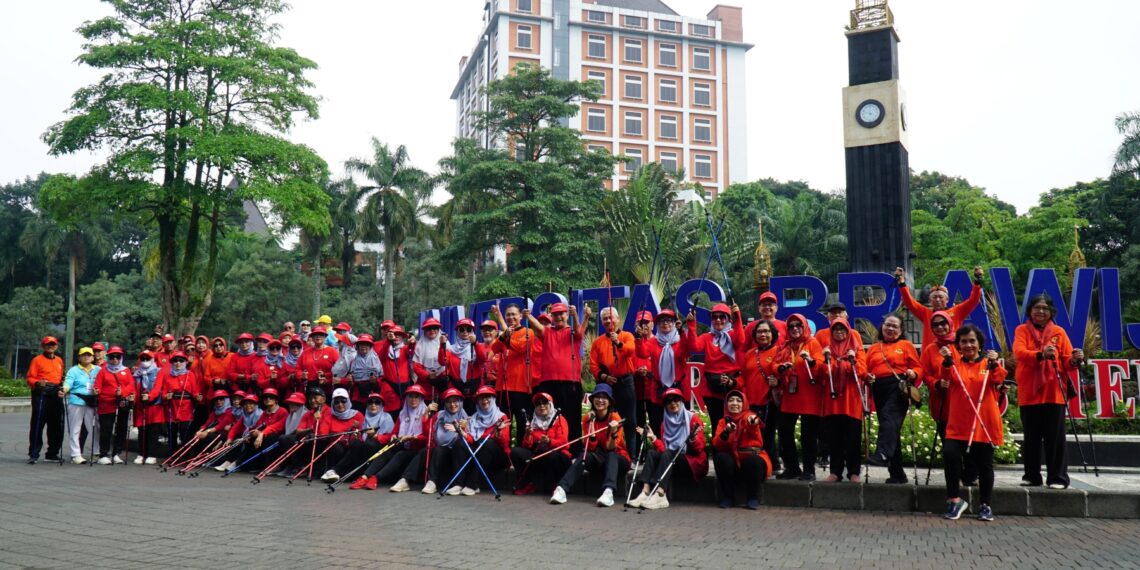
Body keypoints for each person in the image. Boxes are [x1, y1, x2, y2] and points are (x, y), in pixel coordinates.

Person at [938, 324, 1008, 521]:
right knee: (950, 455)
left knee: (984, 464)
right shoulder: (954, 365)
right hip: (958, 424)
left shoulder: (988, 364)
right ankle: (954, 500)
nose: (968, 345)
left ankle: (985, 505)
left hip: (983, 423)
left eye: (972, 341)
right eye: (963, 342)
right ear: (958, 345)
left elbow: (1000, 379)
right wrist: (945, 361)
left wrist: (995, 363)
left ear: (979, 343)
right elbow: (944, 376)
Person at [1013, 293, 1083, 489]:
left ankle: (1058, 478)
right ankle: (1032, 476)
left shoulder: (1059, 332)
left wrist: (1075, 359)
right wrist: (1041, 354)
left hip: (1054, 391)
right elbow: (1019, 353)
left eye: (1045, 308)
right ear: (1030, 311)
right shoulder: (1021, 330)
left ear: (1051, 312)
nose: (1041, 311)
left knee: (1055, 438)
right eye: (1037, 308)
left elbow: (1067, 361)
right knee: (1031, 437)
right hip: (1030, 391)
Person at [550, 383, 630, 507]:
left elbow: (611, 447)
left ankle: (608, 492)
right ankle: (561, 489)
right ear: (592, 400)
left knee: (611, 455)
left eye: (604, 397)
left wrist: (614, 431)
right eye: (597, 397)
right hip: (599, 458)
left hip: (618, 459)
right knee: (584, 455)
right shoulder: (587, 419)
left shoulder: (615, 418)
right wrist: (592, 425)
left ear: (609, 402)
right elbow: (591, 447)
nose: (600, 400)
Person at [627, 388, 707, 510]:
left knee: (668, 454)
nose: (672, 403)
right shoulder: (665, 424)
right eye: (668, 401)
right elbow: (664, 449)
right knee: (652, 453)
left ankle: (660, 494)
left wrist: (693, 439)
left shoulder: (692, 418)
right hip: (672, 460)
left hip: (692, 461)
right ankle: (645, 491)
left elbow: (700, 449)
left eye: (676, 400)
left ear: (681, 401)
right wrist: (653, 438)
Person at [866, 314, 922, 483]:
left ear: (901, 330)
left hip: (899, 387)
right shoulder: (874, 348)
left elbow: (918, 367)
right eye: (887, 325)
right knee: (890, 427)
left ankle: (882, 453)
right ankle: (897, 473)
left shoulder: (906, 345)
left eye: (894, 326)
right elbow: (867, 368)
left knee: (889, 417)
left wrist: (913, 372)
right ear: (882, 326)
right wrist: (868, 377)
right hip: (879, 388)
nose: (890, 329)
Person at [528, 303, 589, 448]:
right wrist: (528, 315)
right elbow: (538, 327)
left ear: (567, 315)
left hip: (570, 382)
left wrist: (576, 315)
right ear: (552, 316)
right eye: (555, 314)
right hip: (548, 383)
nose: (559, 317)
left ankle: (575, 450)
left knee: (572, 418)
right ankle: (551, 447)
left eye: (562, 313)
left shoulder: (572, 332)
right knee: (548, 417)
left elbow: (579, 332)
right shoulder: (547, 332)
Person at [775, 314, 824, 480]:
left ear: (804, 327)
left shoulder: (812, 343)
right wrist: (781, 368)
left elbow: (821, 366)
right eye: (791, 326)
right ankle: (792, 467)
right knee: (784, 431)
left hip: (810, 395)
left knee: (808, 435)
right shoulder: (785, 345)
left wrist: (810, 361)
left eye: (798, 325)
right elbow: (774, 365)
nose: (795, 328)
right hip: (790, 395)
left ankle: (809, 470)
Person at [821, 319, 869, 482]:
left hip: (851, 401)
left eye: (842, 329)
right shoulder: (826, 350)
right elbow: (822, 371)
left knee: (853, 438)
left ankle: (853, 471)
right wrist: (832, 361)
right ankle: (835, 471)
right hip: (832, 400)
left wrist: (847, 363)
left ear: (848, 331)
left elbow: (862, 370)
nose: (839, 332)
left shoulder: (856, 348)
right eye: (835, 329)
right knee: (834, 438)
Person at [686, 303, 745, 435]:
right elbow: (694, 347)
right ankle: (717, 447)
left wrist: (738, 317)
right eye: (714, 317)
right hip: (711, 387)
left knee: (735, 422)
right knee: (716, 422)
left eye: (722, 317)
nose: (718, 320)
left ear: (728, 319)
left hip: (732, 384)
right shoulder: (707, 337)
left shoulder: (733, 334)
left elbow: (741, 341)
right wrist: (691, 325)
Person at [589, 306, 637, 457]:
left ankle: (632, 455)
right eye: (605, 318)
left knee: (630, 420)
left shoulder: (627, 336)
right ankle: (608, 451)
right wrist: (604, 377)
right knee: (608, 418)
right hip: (608, 385)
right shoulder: (598, 342)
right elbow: (593, 365)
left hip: (626, 382)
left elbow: (630, 350)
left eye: (611, 317)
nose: (609, 321)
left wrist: (618, 343)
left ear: (617, 319)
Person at [491, 303, 542, 443]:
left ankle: (520, 451)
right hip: (503, 387)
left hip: (521, 386)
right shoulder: (504, 334)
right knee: (503, 422)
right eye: (508, 314)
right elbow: (494, 348)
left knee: (522, 422)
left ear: (520, 316)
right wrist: (503, 336)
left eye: (514, 314)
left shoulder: (528, 332)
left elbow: (520, 347)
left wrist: (506, 336)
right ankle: (504, 451)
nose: (511, 317)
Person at [712, 390, 772, 509]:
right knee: (721, 458)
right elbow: (717, 445)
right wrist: (726, 432)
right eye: (731, 400)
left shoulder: (750, 417)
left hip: (751, 465)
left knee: (754, 461)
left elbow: (757, 438)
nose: (735, 403)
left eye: (739, 401)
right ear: (726, 404)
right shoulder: (723, 422)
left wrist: (752, 425)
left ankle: (753, 497)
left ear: (744, 404)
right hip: (734, 465)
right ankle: (728, 497)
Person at [636, 309, 691, 437]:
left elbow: (686, 351)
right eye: (661, 321)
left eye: (669, 320)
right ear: (657, 325)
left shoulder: (680, 340)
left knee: (682, 426)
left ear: (674, 323)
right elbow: (642, 353)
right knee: (658, 424)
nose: (665, 323)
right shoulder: (653, 341)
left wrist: (682, 332)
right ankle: (660, 447)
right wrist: (639, 338)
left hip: (679, 389)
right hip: (659, 390)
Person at [896, 266, 984, 346]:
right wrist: (902, 283)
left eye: (941, 297)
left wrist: (978, 280)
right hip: (930, 355)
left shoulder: (957, 311)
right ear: (930, 300)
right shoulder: (925, 313)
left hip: (953, 353)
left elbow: (973, 300)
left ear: (947, 300)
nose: (937, 300)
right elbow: (909, 302)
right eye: (934, 297)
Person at [448, 385, 510, 495]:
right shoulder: (474, 418)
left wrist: (499, 432)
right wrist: (462, 432)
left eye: (487, 397)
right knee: (460, 443)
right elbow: (472, 440)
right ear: (477, 402)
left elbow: (504, 443)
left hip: (497, 457)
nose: (484, 400)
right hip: (479, 454)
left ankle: (473, 484)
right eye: (481, 398)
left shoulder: (501, 417)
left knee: (487, 443)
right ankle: (458, 483)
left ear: (493, 399)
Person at [374, 385, 436, 492]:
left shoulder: (428, 413)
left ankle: (404, 481)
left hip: (422, 447)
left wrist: (413, 437)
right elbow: (395, 432)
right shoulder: (403, 413)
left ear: (421, 399)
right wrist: (394, 436)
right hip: (407, 445)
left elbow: (429, 438)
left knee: (410, 453)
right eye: (410, 396)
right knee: (391, 450)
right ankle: (369, 477)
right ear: (406, 398)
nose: (413, 399)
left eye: (416, 396)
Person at [321, 393, 394, 483]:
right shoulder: (365, 418)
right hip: (365, 448)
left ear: (382, 405)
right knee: (356, 444)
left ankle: (337, 470)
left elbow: (390, 437)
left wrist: (376, 436)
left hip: (381, 449)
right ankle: (341, 472)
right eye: (370, 402)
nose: (373, 405)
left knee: (369, 444)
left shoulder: (386, 417)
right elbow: (361, 436)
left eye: (377, 402)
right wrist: (357, 435)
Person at [740, 319, 782, 473]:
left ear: (773, 334)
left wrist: (778, 381)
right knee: (754, 434)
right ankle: (759, 465)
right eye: (759, 332)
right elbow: (743, 377)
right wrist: (732, 382)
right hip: (752, 401)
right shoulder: (750, 353)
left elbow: (786, 374)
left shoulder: (779, 351)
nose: (763, 334)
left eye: (766, 331)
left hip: (769, 400)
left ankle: (774, 465)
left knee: (768, 434)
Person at [510, 392, 570, 496]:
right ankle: (528, 484)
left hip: (557, 455)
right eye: (538, 404)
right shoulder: (533, 422)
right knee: (516, 452)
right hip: (539, 454)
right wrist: (528, 435)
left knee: (550, 455)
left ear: (550, 404)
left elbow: (564, 443)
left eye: (545, 403)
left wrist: (549, 441)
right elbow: (526, 446)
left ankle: (555, 485)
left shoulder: (560, 419)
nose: (542, 406)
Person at [420, 388, 470, 495]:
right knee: (437, 449)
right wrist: (426, 414)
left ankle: (459, 484)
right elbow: (428, 432)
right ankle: (432, 482)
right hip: (442, 450)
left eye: (455, 401)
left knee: (458, 446)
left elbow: (471, 440)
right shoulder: (439, 415)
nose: (452, 405)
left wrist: (464, 429)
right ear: (445, 404)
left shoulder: (465, 418)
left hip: (459, 454)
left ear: (460, 402)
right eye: (448, 402)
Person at [26, 336, 65, 464]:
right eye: (47, 344)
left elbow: (61, 377)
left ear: (56, 346)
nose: (50, 346)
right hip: (41, 394)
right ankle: (34, 453)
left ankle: (52, 453)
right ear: (43, 346)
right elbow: (29, 378)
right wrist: (38, 383)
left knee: (56, 425)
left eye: (53, 344)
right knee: (38, 423)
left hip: (55, 394)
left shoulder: (59, 360)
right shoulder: (37, 360)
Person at [95, 346, 135, 464]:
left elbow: (131, 385)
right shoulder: (103, 371)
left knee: (121, 429)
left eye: (118, 357)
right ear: (108, 358)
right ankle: (103, 454)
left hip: (122, 402)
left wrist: (122, 392)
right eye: (112, 357)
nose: (115, 359)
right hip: (107, 403)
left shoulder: (126, 370)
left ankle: (116, 453)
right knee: (106, 429)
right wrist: (96, 391)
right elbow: (97, 385)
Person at [439, 321, 488, 414]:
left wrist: (475, 344)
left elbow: (482, 360)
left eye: (468, 329)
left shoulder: (478, 346)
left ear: (472, 332)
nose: (465, 332)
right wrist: (442, 345)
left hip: (475, 388)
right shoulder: (451, 349)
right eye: (462, 330)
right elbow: (442, 361)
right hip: (456, 388)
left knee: (477, 415)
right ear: (457, 332)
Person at [315, 387, 364, 479]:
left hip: (352, 446)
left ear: (348, 401)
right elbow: (322, 435)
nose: (340, 404)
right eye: (336, 402)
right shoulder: (329, 416)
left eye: (343, 401)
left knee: (356, 444)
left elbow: (362, 435)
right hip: (337, 446)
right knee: (335, 446)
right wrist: (318, 421)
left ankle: (335, 471)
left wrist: (356, 428)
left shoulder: (357, 415)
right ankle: (334, 472)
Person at [62, 347, 100, 464]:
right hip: (77, 400)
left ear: (93, 357)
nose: (86, 357)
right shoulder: (73, 370)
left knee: (94, 428)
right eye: (84, 355)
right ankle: (76, 455)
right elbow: (68, 382)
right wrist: (64, 389)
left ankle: (96, 452)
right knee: (75, 428)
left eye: (89, 355)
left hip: (92, 401)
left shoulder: (98, 369)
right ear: (79, 357)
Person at [160, 351, 201, 459]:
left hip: (186, 407)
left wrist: (197, 396)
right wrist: (166, 396)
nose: (178, 363)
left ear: (185, 362)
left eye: (181, 361)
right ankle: (172, 456)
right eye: (175, 361)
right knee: (172, 432)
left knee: (185, 432)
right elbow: (164, 392)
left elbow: (195, 391)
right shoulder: (167, 376)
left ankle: (186, 456)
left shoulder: (190, 375)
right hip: (172, 407)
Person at [332, 334, 383, 411]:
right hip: (357, 395)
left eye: (366, 344)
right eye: (361, 344)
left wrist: (376, 381)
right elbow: (347, 379)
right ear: (357, 346)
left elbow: (383, 377)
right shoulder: (352, 361)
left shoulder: (377, 360)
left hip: (373, 394)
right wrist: (346, 380)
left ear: (370, 346)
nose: (363, 347)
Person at [377, 325, 415, 419]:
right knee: (391, 415)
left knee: (406, 414)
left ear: (403, 337)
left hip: (405, 387)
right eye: (395, 334)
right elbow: (381, 356)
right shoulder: (385, 349)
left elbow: (412, 352)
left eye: (399, 334)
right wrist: (388, 341)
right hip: (390, 389)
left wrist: (413, 343)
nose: (396, 336)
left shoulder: (405, 348)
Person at [133, 350, 164, 464]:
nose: (145, 361)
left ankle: (152, 454)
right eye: (143, 359)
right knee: (142, 430)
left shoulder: (158, 371)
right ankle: (141, 453)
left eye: (148, 359)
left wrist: (150, 396)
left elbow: (158, 387)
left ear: (152, 360)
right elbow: (134, 387)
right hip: (141, 405)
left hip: (154, 405)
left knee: (153, 430)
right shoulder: (137, 373)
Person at [413, 319, 449, 400]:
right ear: (425, 331)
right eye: (428, 329)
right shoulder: (419, 346)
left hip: (442, 384)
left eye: (435, 328)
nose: (432, 330)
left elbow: (447, 362)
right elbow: (416, 366)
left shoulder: (446, 344)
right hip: (425, 384)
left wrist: (442, 345)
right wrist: (427, 375)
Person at [300, 326, 340, 397]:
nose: (318, 336)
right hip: (310, 387)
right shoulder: (305, 352)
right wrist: (302, 375)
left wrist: (326, 375)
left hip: (327, 387)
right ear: (312, 337)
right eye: (315, 335)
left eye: (321, 334)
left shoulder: (332, 351)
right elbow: (297, 369)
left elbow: (339, 371)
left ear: (325, 337)